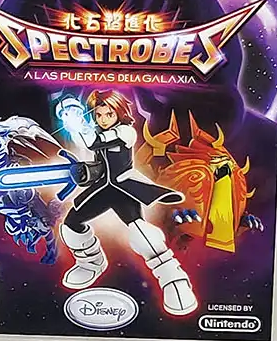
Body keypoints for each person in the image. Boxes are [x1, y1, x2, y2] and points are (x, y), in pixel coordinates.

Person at [59, 90, 197, 316]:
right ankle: (90, 263)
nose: (103, 119)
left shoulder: (126, 132)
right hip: (102, 188)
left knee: (142, 233)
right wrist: (71, 117)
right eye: (99, 115)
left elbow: (95, 143)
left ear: (119, 112)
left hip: (124, 187)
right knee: (71, 225)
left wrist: (79, 125)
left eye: (109, 114)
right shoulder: (96, 131)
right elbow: (87, 142)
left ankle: (174, 280)